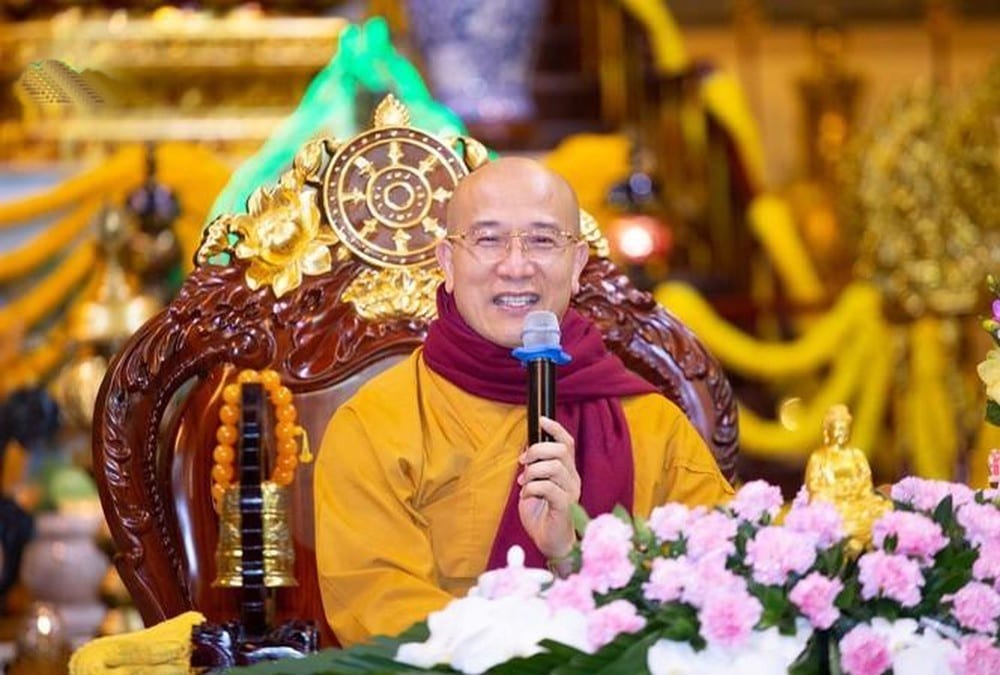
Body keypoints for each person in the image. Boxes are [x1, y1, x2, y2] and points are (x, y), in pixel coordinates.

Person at [314, 157, 734, 646]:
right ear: (447, 263)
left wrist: (571, 555)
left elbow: (722, 584)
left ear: (577, 265)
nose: (516, 267)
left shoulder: (652, 425)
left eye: (542, 240)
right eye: (488, 239)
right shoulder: (376, 425)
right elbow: (380, 611)